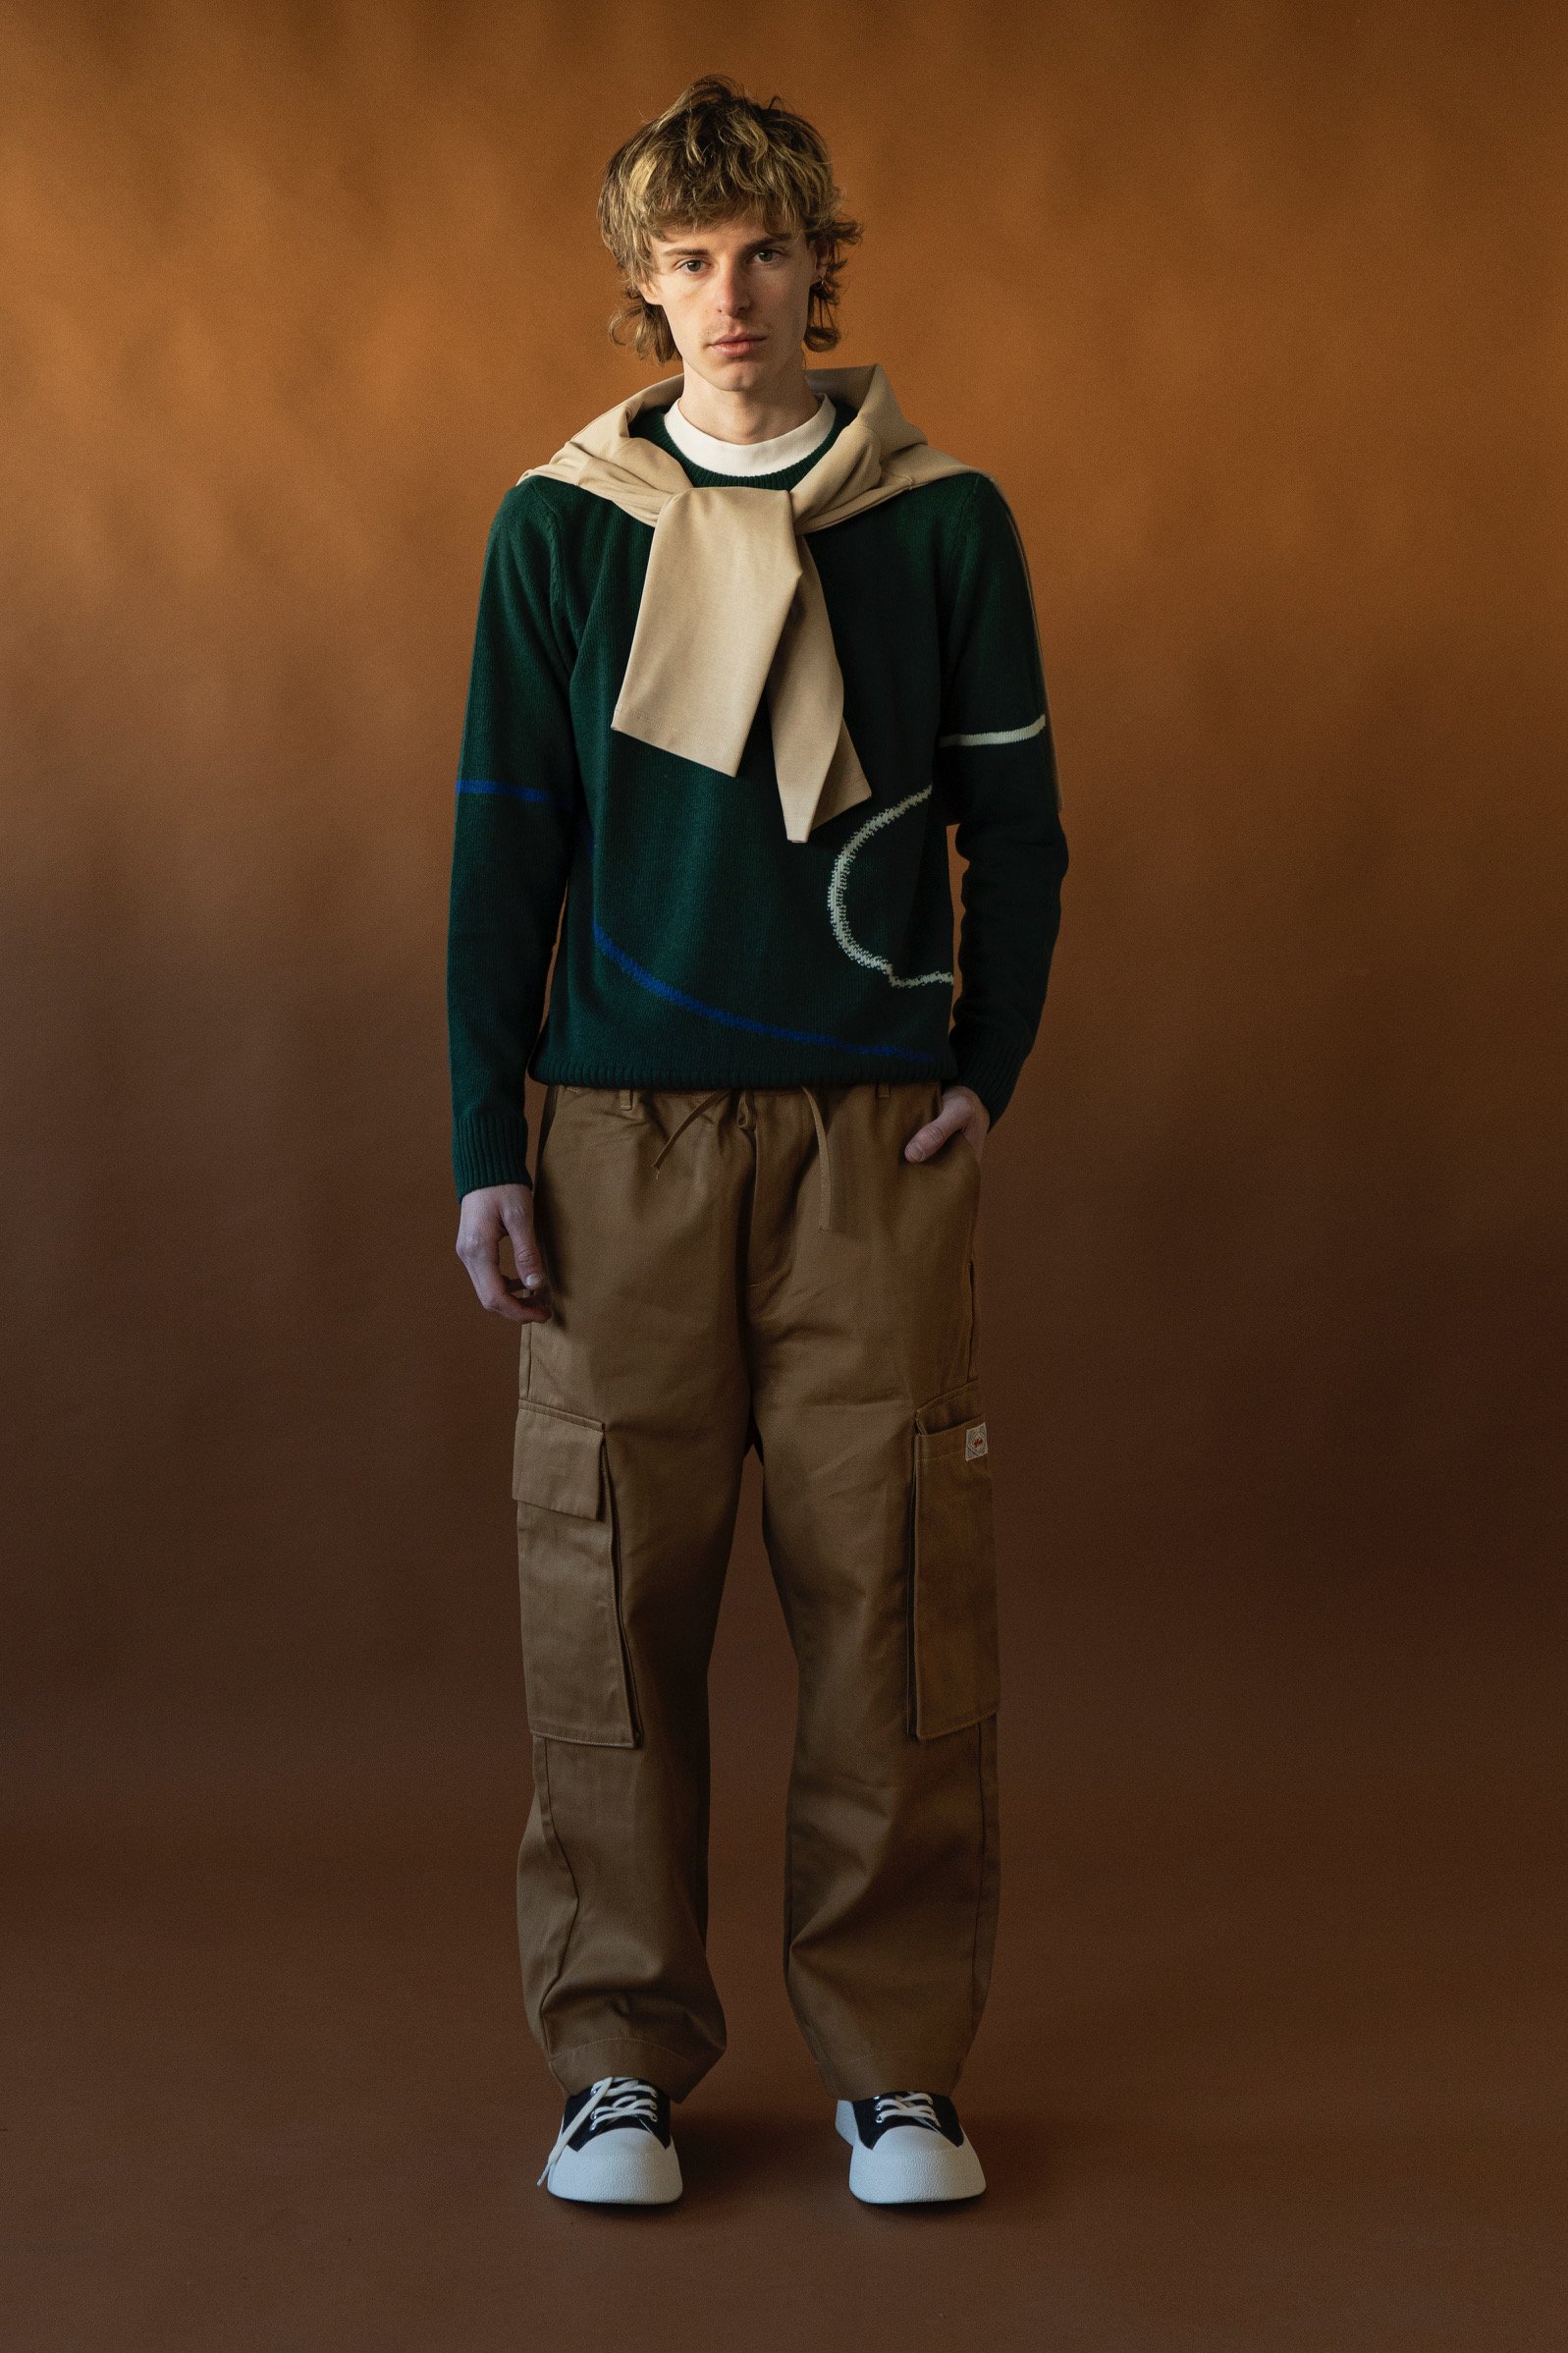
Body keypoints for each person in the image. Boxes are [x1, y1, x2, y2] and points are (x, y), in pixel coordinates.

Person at [446, 73, 1068, 2209]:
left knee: (890, 1595)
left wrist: (989, 1055)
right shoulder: (560, 527)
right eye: (690, 260)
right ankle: (618, 2056)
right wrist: (487, 1140)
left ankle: (893, 2066)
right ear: (642, 284)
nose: (732, 295)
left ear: (822, 265)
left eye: (767, 251)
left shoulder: (941, 519)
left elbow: (1018, 822)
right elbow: (503, 848)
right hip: (615, 1138)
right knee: (607, 1596)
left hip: (870, 1144)